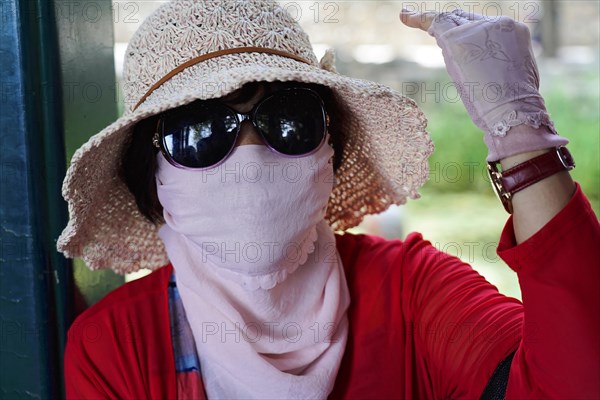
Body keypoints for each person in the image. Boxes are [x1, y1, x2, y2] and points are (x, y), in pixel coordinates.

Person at [59, 1, 599, 399]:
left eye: (289, 120)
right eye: (198, 132)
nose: (251, 159)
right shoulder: (115, 347)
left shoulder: (411, 290)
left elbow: (573, 384)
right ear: (151, 177)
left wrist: (522, 135)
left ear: (328, 151)